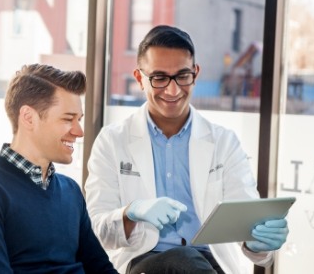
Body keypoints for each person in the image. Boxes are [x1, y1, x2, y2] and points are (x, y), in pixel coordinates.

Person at [84, 25, 289, 274]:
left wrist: (259, 241)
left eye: (182, 76)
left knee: (190, 262)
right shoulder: (112, 141)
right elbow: (97, 230)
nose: (173, 90)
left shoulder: (224, 143)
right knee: (183, 260)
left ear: (195, 73)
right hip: (143, 263)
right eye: (159, 78)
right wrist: (131, 212)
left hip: (209, 264)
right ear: (139, 79)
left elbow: (247, 222)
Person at [0, 63, 118, 274]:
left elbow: (100, 269)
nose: (79, 131)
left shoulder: (71, 191)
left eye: (79, 120)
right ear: (28, 118)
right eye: (68, 119)